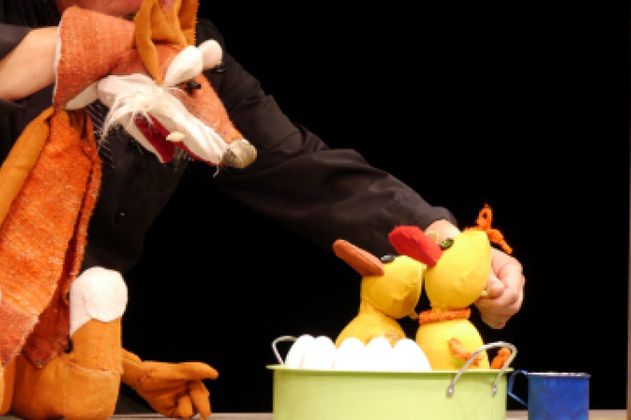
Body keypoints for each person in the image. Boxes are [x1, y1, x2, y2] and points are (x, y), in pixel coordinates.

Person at [0, 0, 525, 412]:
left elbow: (300, 168)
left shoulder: (186, 51)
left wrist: (444, 243)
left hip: (70, 362)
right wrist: (52, 52)